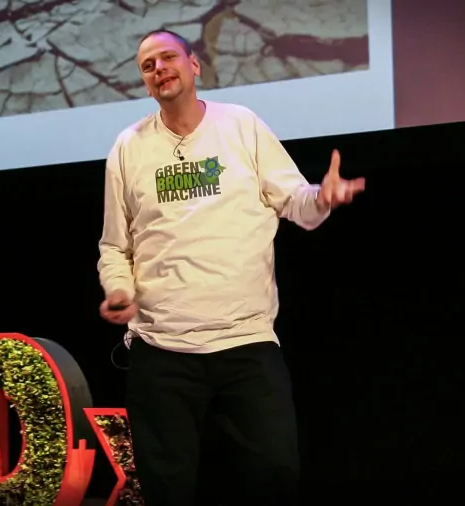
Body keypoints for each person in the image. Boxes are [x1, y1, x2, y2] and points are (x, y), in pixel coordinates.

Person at [96, 29, 366, 505]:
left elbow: (296, 203)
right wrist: (119, 289)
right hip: (162, 351)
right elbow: (115, 246)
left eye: (167, 58)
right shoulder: (128, 146)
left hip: (245, 342)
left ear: (193, 64)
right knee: (166, 490)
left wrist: (322, 198)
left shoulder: (241, 125)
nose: (159, 69)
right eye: (147, 66)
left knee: (275, 475)